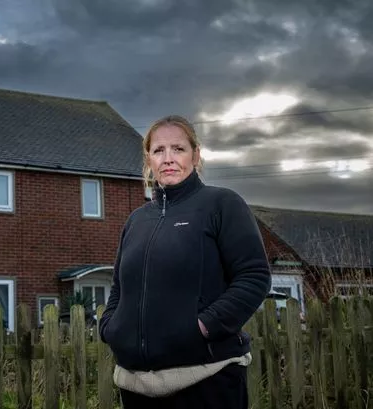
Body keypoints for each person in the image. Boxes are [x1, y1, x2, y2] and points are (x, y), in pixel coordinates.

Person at [99, 115, 271, 409]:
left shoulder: (221, 204)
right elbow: (118, 287)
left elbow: (253, 277)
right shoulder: (136, 220)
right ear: (149, 159)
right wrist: (111, 328)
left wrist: (202, 327)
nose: (168, 159)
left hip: (207, 379)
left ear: (196, 155)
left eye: (178, 149)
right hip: (135, 385)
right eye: (159, 150)